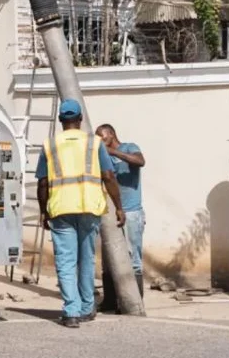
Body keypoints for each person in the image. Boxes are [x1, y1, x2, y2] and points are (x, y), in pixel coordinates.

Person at [36, 99, 125, 328]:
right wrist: (119, 207)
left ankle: (71, 312)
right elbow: (109, 176)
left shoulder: (50, 145)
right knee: (86, 259)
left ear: (60, 121)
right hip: (89, 207)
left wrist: (43, 211)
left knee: (66, 261)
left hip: (61, 209)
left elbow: (43, 183)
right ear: (80, 119)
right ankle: (87, 307)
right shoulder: (94, 144)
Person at [96, 123, 147, 303]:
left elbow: (140, 161)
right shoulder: (101, 155)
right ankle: (109, 301)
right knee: (108, 260)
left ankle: (135, 302)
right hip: (110, 213)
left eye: (102, 137)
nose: (100, 142)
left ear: (111, 134)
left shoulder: (129, 147)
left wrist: (113, 153)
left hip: (131, 212)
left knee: (133, 259)